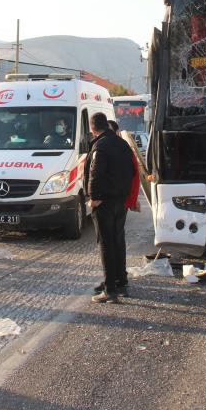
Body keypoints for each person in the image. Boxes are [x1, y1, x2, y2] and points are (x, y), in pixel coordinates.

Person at [84, 112, 135, 304]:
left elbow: (95, 173)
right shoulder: (122, 144)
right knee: (118, 241)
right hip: (121, 201)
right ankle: (121, 281)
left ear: (93, 128)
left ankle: (110, 289)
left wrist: (94, 198)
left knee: (106, 244)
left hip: (104, 202)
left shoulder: (100, 146)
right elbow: (131, 171)